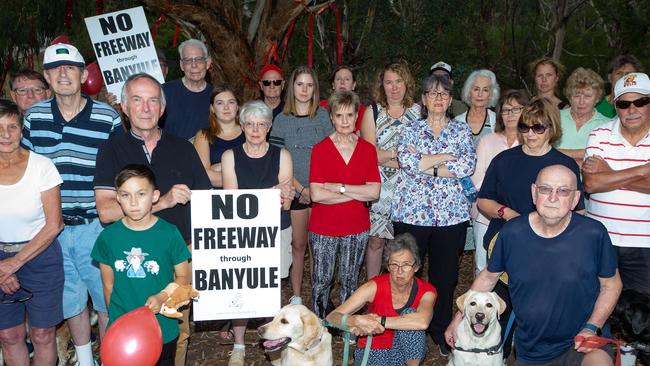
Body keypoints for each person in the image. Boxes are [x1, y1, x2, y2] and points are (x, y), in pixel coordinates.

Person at [446, 165, 622, 366]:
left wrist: (592, 326)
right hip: (533, 349)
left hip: (584, 341)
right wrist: (458, 318)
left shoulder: (593, 234)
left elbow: (611, 285)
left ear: (575, 199)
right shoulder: (512, 233)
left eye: (563, 191)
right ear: (534, 193)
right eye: (545, 189)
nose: (553, 197)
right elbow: (488, 277)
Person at [93, 73, 211, 366]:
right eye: (137, 99)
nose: (146, 107)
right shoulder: (111, 149)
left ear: (162, 108)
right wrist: (163, 200)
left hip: (179, 256)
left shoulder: (184, 148)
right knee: (131, 325)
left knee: (178, 331)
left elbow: (207, 201)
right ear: (124, 106)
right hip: (128, 258)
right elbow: (106, 212)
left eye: (153, 100)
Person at [22, 43, 121, 366]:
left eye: (70, 68)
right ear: (48, 77)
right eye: (56, 69)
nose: (63, 74)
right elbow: (23, 169)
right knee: (73, 300)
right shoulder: (34, 117)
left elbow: (122, 171)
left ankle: (107, 358)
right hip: (53, 228)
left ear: (82, 74)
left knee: (106, 299)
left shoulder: (107, 117)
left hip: (98, 224)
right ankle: (84, 359)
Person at [477, 96, 585, 358]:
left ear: (551, 129)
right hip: (506, 243)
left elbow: (578, 212)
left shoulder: (565, 165)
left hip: (551, 248)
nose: (530, 133)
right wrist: (509, 214)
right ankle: (496, 356)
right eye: (525, 127)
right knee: (501, 306)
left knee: (539, 308)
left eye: (538, 127)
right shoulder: (504, 160)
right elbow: (484, 200)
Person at [392, 74, 475, 356]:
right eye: (432, 93)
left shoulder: (462, 132)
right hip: (411, 214)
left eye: (443, 94)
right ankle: (405, 330)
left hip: (450, 218)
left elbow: (466, 165)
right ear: (424, 100)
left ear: (450, 100)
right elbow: (406, 161)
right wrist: (445, 158)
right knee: (405, 273)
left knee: (445, 276)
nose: (438, 98)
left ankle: (440, 331)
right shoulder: (410, 130)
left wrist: (426, 162)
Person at [92, 164, 191, 366]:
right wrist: (119, 320)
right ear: (118, 198)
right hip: (124, 329)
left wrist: (163, 296)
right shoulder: (108, 237)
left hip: (162, 327)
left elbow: (183, 277)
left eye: (141, 194)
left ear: (155, 196)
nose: (134, 202)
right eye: (126, 195)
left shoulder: (170, 234)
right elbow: (108, 285)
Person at [220, 100, 294, 366]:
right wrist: (270, 193)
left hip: (276, 229)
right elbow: (232, 202)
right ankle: (239, 345)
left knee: (272, 288)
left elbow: (285, 202)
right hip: (242, 233)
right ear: (242, 126)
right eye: (249, 123)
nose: (255, 129)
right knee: (242, 287)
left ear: (269, 126)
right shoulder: (230, 156)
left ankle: (274, 346)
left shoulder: (282, 155)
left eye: (261, 123)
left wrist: (274, 194)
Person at [0, 99, 63, 365]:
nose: (5, 135)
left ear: (22, 130)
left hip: (40, 256)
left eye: (12, 127)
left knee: (43, 334)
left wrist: (14, 264)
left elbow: (54, 224)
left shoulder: (42, 167)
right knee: (9, 335)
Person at [309, 90, 381, 318]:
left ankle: (346, 327)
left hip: (356, 227)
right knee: (322, 281)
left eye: (349, 115)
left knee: (350, 281)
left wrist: (338, 187)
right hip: (324, 228)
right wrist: (357, 192)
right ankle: (319, 327)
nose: (344, 121)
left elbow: (374, 191)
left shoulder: (367, 150)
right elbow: (317, 195)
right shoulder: (320, 149)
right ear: (331, 116)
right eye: (339, 115)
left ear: (356, 117)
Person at [269, 65, 332, 305]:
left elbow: (330, 155)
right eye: (299, 84)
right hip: (293, 191)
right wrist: (301, 189)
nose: (304, 90)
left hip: (320, 190)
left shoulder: (324, 117)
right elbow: (278, 158)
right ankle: (296, 296)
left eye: (309, 85)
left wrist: (314, 189)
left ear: (314, 88)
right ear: (292, 87)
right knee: (298, 244)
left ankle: (319, 295)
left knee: (319, 246)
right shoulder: (282, 120)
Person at [583, 72, 650, 296]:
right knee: (598, 308)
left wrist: (610, 174)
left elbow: (601, 180)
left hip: (645, 243)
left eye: (640, 102)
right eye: (624, 103)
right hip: (601, 239)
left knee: (643, 316)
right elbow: (591, 183)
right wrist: (641, 170)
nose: (632, 110)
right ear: (616, 106)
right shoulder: (599, 134)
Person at [326, 233, 436, 366]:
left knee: (410, 317)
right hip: (374, 346)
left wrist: (377, 321)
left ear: (416, 267)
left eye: (406, 265)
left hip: (405, 353)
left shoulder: (426, 291)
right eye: (394, 265)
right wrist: (355, 320)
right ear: (388, 267)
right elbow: (331, 318)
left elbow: (422, 322)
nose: (399, 271)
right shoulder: (373, 286)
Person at [359, 61, 421, 280]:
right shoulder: (373, 112)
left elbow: (422, 156)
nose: (394, 87)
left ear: (406, 84)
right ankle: (373, 289)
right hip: (380, 188)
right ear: (381, 85)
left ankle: (405, 293)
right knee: (376, 241)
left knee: (408, 244)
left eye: (398, 81)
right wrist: (400, 156)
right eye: (388, 82)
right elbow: (368, 155)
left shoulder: (419, 112)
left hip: (411, 188)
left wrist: (385, 155)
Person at [471, 89, 529, 274]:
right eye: (506, 110)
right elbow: (477, 180)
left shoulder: (531, 141)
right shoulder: (487, 141)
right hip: (486, 216)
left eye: (516, 109)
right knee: (484, 267)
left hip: (522, 216)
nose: (510, 114)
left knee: (519, 267)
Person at [193, 85, 245, 188]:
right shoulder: (203, 135)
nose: (226, 107)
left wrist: (219, 167)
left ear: (237, 106)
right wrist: (244, 176)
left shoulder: (249, 131)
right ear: (212, 108)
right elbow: (203, 176)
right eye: (220, 103)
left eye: (231, 102)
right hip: (215, 198)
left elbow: (260, 167)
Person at [557, 67, 609, 165]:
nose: (581, 102)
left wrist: (558, 153)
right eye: (576, 96)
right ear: (569, 97)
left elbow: (604, 156)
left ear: (597, 98)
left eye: (587, 96)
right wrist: (584, 156)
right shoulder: (555, 118)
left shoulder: (607, 124)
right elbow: (542, 150)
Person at [162, 39, 212, 140]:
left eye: (199, 59)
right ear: (181, 65)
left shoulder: (217, 97)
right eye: (188, 60)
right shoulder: (163, 92)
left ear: (207, 63)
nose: (194, 65)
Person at [457, 69, 500, 144]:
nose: (480, 94)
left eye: (485, 90)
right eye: (476, 89)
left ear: (491, 94)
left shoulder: (497, 121)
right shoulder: (457, 122)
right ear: (469, 92)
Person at [319, 65, 367, 131]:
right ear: (333, 84)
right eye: (338, 79)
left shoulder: (363, 112)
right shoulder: (320, 108)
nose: (342, 82)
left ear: (353, 85)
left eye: (347, 79)